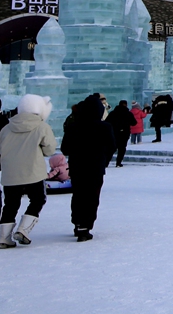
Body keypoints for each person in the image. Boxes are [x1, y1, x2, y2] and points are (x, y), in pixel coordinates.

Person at [0, 94, 56, 248]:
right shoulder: (42, 126)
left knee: (10, 204)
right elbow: (50, 150)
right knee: (38, 199)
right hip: (33, 171)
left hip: (10, 172)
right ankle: (23, 229)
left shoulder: (7, 127)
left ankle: (3, 237)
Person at [60, 95, 116, 241]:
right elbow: (112, 147)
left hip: (77, 166)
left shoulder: (73, 126)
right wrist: (104, 161)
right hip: (96, 166)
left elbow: (65, 149)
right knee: (92, 196)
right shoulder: (105, 127)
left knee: (78, 194)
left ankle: (77, 222)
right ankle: (85, 225)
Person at [108, 100, 136, 168]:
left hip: (114, 132)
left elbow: (107, 122)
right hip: (124, 133)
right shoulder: (128, 113)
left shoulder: (113, 113)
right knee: (122, 148)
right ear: (126, 105)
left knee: (112, 148)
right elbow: (134, 122)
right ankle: (118, 163)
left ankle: (106, 162)